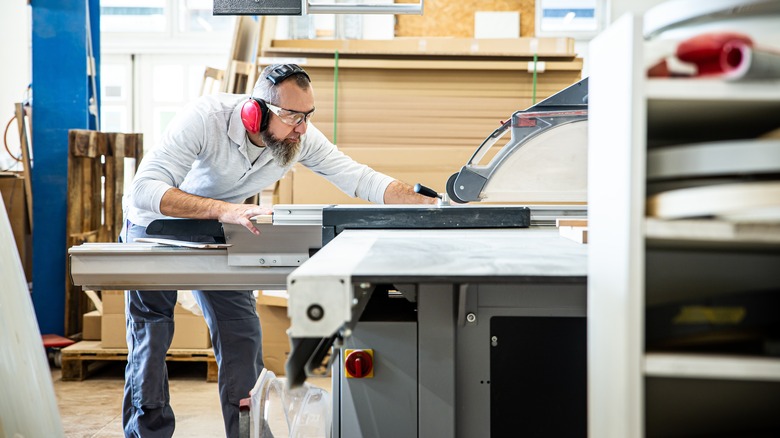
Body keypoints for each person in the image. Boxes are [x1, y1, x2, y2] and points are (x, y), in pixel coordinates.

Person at [119, 63, 435, 437]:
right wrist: (225, 209)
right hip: (155, 224)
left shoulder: (297, 136)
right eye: (291, 116)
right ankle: (147, 432)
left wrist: (424, 203)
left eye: (307, 116)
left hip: (224, 226)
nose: (301, 128)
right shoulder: (205, 119)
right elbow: (145, 190)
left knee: (242, 334)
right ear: (256, 112)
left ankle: (247, 432)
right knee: (152, 336)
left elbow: (357, 177)